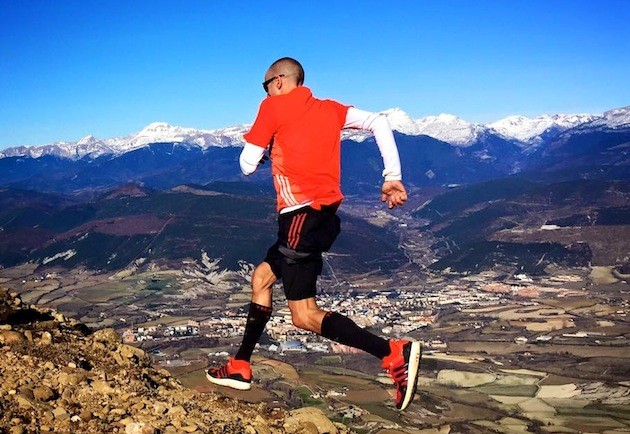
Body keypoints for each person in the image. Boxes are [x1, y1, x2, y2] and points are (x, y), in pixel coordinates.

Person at [206, 57, 422, 411]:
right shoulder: (329, 109)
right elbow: (379, 121)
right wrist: (391, 176)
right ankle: (240, 365)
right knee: (262, 278)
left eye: (265, 85)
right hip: (324, 217)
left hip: (297, 219)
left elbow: (246, 165)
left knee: (304, 315)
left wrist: (267, 150)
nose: (265, 91)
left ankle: (392, 352)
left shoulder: (273, 106)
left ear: (277, 81)